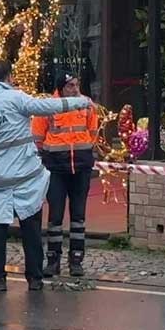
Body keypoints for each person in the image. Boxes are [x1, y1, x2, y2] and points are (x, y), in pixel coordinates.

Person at [0, 60, 90, 291]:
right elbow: (47, 107)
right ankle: (34, 278)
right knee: (31, 225)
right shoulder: (17, 98)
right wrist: (81, 102)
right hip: (25, 174)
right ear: (9, 77)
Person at [32, 73, 99, 279]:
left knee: (78, 215)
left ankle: (76, 260)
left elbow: (94, 131)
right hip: (56, 167)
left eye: (77, 85)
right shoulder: (48, 107)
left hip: (81, 166)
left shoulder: (87, 105)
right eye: (70, 86)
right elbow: (37, 137)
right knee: (55, 215)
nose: (75, 89)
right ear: (61, 88)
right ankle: (53, 260)